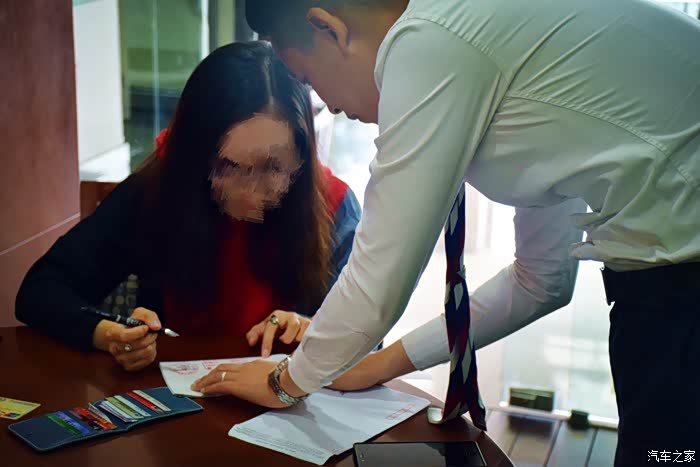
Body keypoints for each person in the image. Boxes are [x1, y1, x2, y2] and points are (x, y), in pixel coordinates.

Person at [191, 1, 699, 464]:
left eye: (308, 77)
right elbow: (542, 279)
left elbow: (379, 276)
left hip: (681, 288)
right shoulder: (483, 33)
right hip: (666, 281)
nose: (329, 104)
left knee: (665, 458)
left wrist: (285, 381)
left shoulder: (429, 40)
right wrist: (376, 366)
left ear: (329, 28)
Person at [15, 42, 361, 372]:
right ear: (197, 154)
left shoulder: (335, 208)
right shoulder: (159, 191)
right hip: (176, 398)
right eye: (230, 167)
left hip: (289, 403)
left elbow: (365, 340)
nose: (252, 191)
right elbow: (41, 291)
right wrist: (111, 334)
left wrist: (312, 329)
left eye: (272, 168)